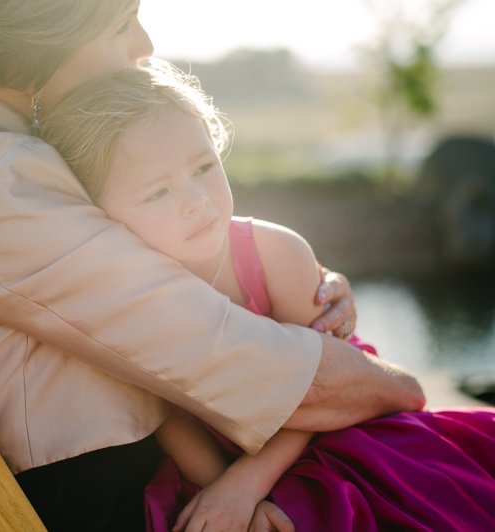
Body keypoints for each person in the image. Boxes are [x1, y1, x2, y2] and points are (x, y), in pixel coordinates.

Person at [0, 1, 424, 530]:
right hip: (88, 510)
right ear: (42, 37)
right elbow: (254, 365)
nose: (144, 45)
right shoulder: (9, 181)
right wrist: (392, 384)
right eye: (121, 23)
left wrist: (284, 268)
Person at [39, 62, 495, 532]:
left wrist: (249, 483)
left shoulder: (273, 253)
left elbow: (325, 393)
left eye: (203, 166)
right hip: (219, 459)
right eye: (157, 192)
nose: (196, 200)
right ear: (101, 213)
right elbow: (171, 416)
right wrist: (229, 493)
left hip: (333, 430)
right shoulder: (127, 293)